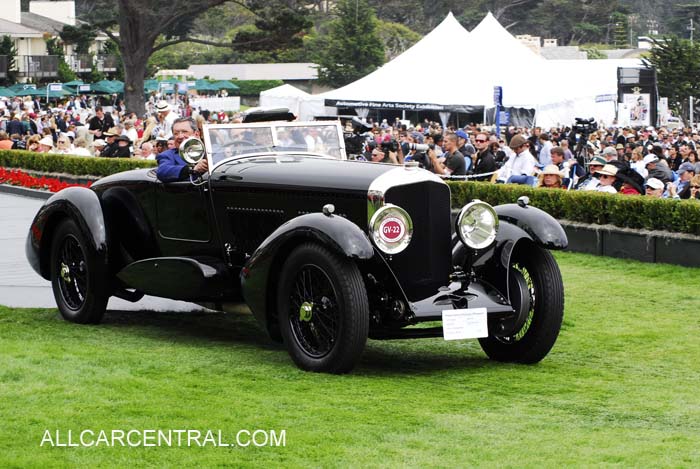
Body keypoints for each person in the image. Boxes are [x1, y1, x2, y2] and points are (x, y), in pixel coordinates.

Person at [156, 117, 208, 182]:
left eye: (184, 132)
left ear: (196, 134)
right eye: (176, 133)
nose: (180, 136)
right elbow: (162, 171)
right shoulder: (167, 155)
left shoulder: (210, 151)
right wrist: (192, 170)